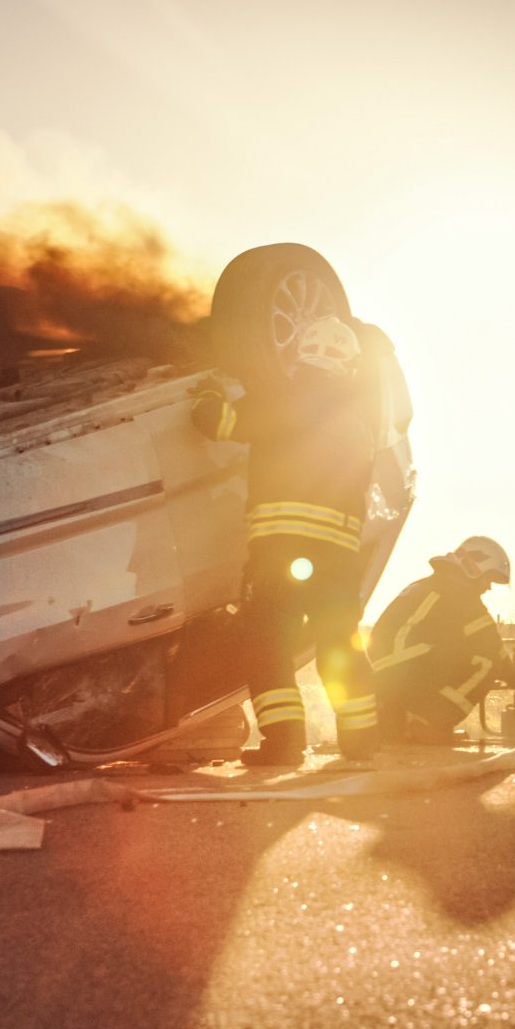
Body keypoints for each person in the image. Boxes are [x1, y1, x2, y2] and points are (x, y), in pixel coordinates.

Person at [192, 317, 380, 766]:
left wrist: (206, 395)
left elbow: (219, 423)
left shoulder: (282, 396)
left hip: (281, 551)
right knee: (340, 644)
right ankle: (361, 742)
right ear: (349, 365)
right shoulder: (359, 422)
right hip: (339, 558)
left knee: (268, 643)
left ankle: (284, 744)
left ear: (299, 353)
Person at [368, 537, 510, 745]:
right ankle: (428, 722)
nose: (489, 587)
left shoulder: (428, 585)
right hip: (404, 676)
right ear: (474, 569)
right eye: (489, 579)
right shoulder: (459, 592)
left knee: (459, 651)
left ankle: (402, 718)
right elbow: (493, 647)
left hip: (380, 679)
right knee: (488, 662)